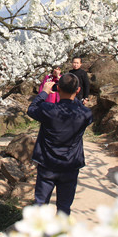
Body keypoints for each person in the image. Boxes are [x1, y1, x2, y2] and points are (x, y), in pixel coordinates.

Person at [27, 73, 93, 215]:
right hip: (70, 164)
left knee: (40, 204)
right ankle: (60, 235)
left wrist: (44, 92)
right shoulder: (85, 113)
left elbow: (31, 109)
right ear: (78, 90)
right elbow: (75, 107)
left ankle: (38, 234)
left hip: (47, 164)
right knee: (64, 207)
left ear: (58, 88)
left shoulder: (48, 110)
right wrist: (75, 99)